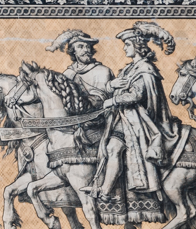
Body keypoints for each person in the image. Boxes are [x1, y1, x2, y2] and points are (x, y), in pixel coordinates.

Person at [90, 21, 180, 206]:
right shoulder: (129, 68)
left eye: (127, 44)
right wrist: (110, 86)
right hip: (123, 117)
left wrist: (113, 100)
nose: (124, 49)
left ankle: (105, 192)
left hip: (138, 120)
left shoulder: (145, 68)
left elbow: (137, 95)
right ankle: (99, 183)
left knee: (113, 148)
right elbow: (117, 88)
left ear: (138, 46)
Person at [49, 30, 114, 110]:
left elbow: (102, 100)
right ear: (73, 51)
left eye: (88, 47)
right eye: (80, 46)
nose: (86, 50)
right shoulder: (68, 73)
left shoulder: (102, 71)